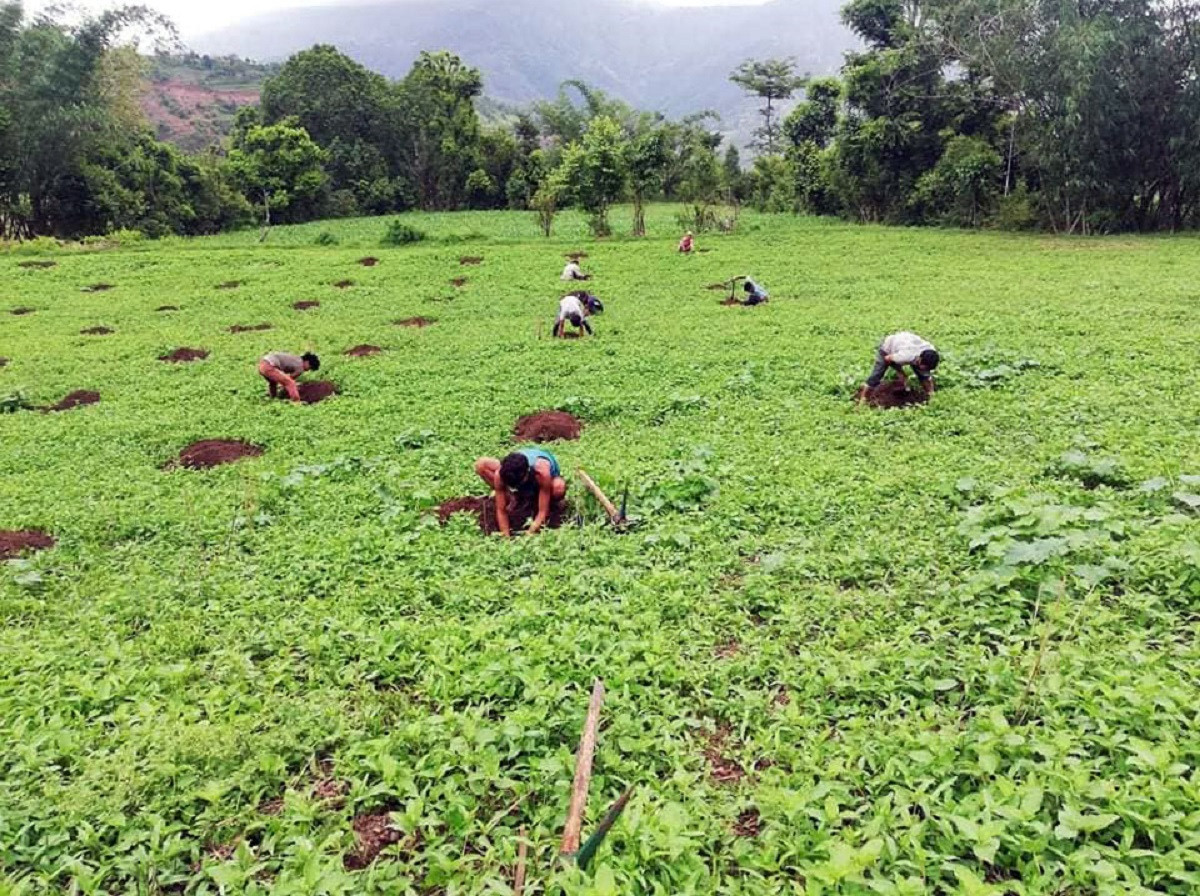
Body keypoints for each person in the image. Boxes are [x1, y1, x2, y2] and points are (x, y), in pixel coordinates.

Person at [474, 448, 568, 537]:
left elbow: (542, 512)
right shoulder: (501, 474)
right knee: (481, 465)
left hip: (543, 483)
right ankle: (513, 499)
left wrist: (530, 532)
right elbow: (501, 510)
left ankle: (550, 503)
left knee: (558, 488)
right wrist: (505, 537)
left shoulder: (542, 473)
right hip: (520, 473)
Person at [855, 332, 940, 401]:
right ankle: (863, 401)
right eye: (922, 365)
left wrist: (923, 372)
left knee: (924, 375)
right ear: (919, 358)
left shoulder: (931, 351)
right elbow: (887, 359)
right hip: (888, 347)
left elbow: (926, 373)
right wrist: (901, 372)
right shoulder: (905, 356)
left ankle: (932, 397)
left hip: (906, 342)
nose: (922, 368)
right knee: (876, 376)